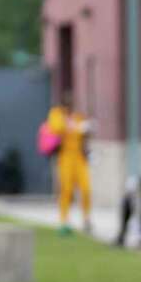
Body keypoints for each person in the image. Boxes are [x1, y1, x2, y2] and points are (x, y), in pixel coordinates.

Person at [47, 90, 92, 235]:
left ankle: (86, 219)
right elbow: (56, 128)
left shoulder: (78, 116)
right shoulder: (56, 114)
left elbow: (85, 132)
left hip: (79, 157)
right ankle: (64, 221)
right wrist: (69, 124)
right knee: (66, 189)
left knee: (86, 188)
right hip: (64, 156)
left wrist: (85, 129)